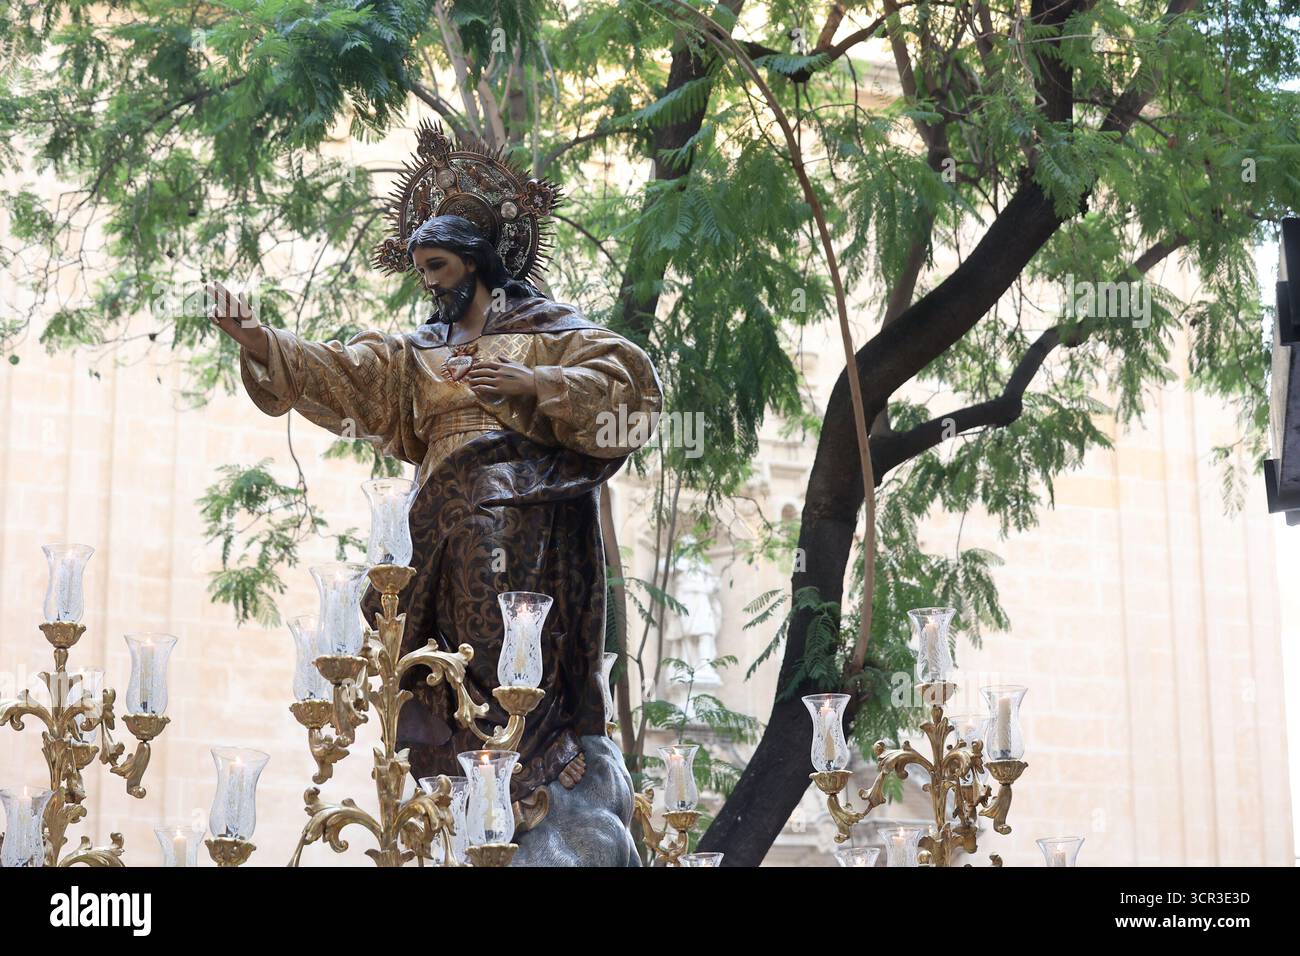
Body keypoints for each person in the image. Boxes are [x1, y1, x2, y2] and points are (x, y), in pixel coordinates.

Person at [209, 209, 661, 866]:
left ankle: (537, 764)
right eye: (421, 271)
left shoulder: (549, 334)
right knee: (449, 667)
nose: (428, 283)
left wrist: (535, 383)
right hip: (441, 531)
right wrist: (261, 341)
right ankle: (468, 769)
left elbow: (631, 392)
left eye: (438, 268)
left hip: (526, 519)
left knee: (517, 653)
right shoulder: (416, 354)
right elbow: (341, 373)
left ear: (476, 262)